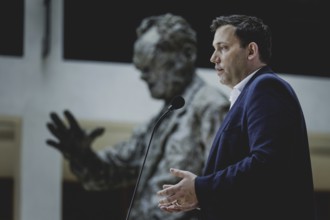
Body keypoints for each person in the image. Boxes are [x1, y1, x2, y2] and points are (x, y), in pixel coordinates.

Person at [46, 13, 229, 220]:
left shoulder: (211, 107)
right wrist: (82, 155)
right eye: (140, 67)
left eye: (150, 62)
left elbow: (225, 191)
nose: (143, 74)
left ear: (186, 54)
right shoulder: (160, 121)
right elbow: (109, 173)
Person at [157, 14, 316, 220]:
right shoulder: (248, 94)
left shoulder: (266, 86)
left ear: (251, 51)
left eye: (223, 48)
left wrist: (201, 187)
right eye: (214, 49)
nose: (213, 58)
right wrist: (201, 197)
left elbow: (266, 164)